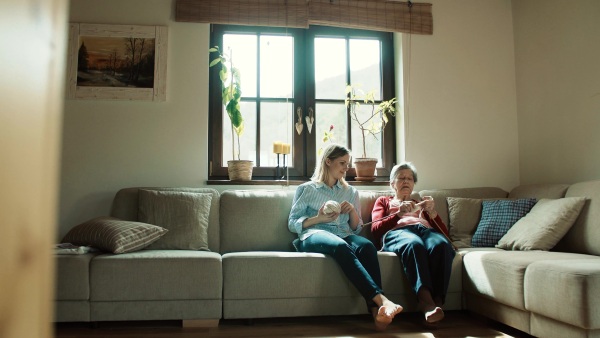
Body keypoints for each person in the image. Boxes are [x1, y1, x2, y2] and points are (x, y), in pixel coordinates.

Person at [288, 144, 403, 331]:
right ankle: (382, 300)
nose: (345, 168)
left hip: (343, 233)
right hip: (313, 234)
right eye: (341, 163)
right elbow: (292, 223)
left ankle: (377, 313)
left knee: (366, 246)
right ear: (328, 161)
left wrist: (352, 213)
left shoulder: (350, 192)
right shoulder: (307, 189)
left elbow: (356, 229)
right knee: (340, 246)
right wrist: (318, 218)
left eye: (347, 164)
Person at [370, 162, 455, 324]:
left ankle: (437, 304)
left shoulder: (420, 203)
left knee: (442, 245)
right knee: (414, 244)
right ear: (392, 184)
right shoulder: (384, 201)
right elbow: (375, 229)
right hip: (398, 232)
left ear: (414, 183)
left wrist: (432, 212)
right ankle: (426, 302)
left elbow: (445, 234)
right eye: (401, 178)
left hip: (424, 231)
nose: (406, 181)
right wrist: (398, 214)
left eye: (409, 178)